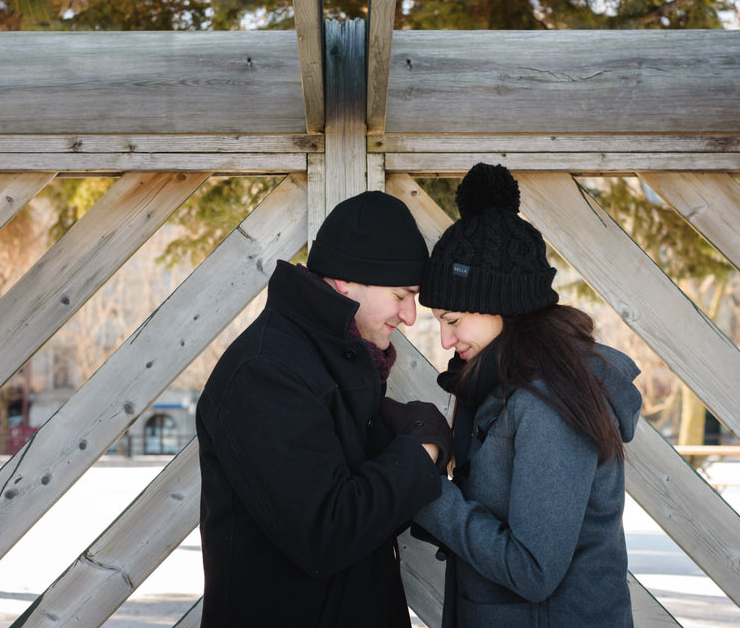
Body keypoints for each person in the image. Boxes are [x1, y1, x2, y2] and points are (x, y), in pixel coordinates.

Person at [196, 190, 454, 628]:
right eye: (401, 295)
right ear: (347, 281)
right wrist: (420, 453)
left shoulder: (332, 362)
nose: (410, 316)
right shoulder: (266, 373)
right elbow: (326, 531)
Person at [413, 163, 643, 628]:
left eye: (452, 320)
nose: (443, 340)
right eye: (438, 319)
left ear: (503, 306)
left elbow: (532, 569)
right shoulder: (499, 384)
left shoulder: (549, 404)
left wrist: (421, 490)